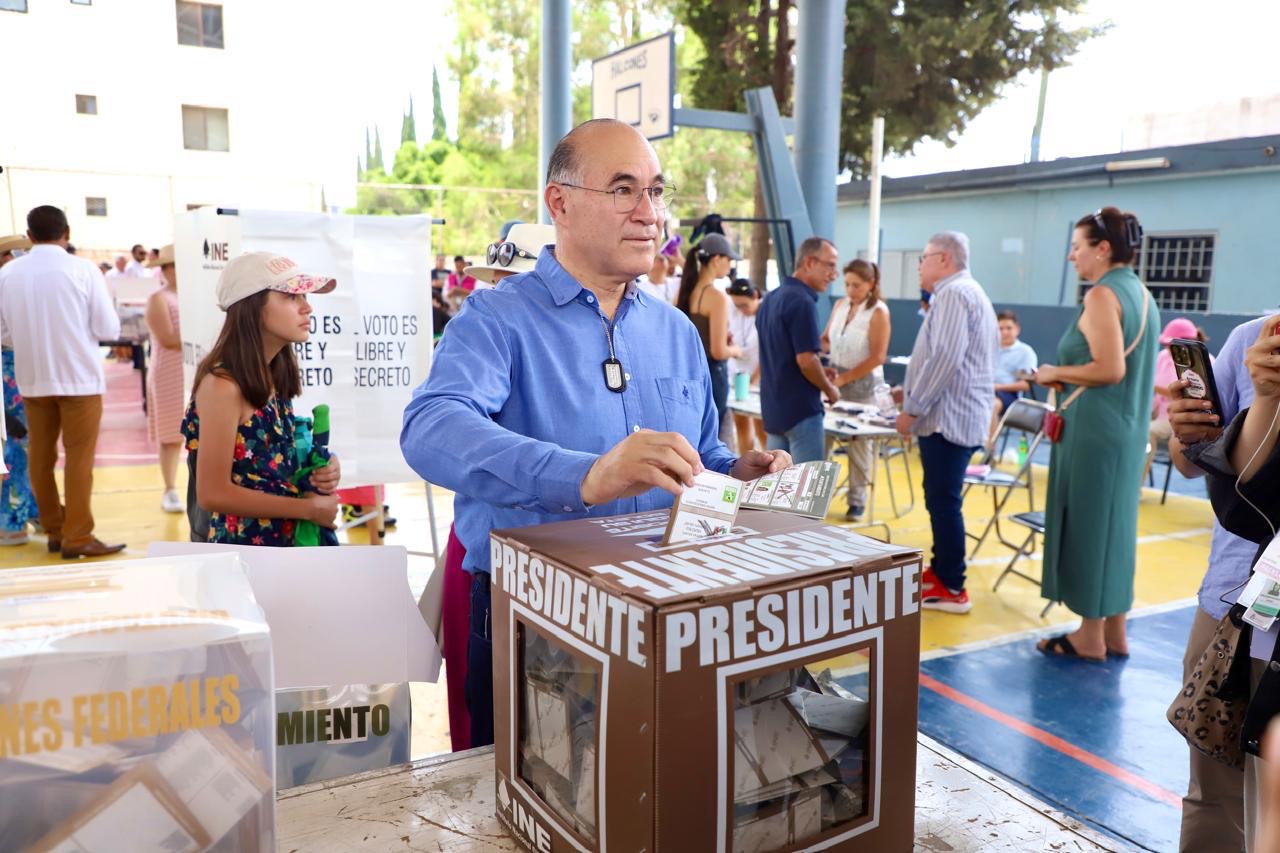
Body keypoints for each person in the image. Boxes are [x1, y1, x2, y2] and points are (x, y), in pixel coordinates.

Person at [400, 118, 790, 749]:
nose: (650, 213)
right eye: (623, 189)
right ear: (560, 202)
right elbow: (431, 427)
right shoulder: (498, 319)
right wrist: (584, 477)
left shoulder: (676, 332)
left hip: (664, 608)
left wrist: (736, 473)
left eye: (656, 191)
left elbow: (704, 455)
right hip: (534, 618)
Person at [1034, 207, 1159, 658]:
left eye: (1077, 247)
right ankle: (1113, 631)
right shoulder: (1142, 295)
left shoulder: (1103, 295)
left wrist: (1054, 370)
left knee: (1089, 526)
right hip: (1126, 432)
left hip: (1095, 432)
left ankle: (1089, 634)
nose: (1072, 257)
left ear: (1102, 250)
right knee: (1117, 530)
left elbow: (1109, 368)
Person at [1180, 316, 1280, 852]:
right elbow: (1205, 466)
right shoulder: (1253, 341)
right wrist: (1191, 432)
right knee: (1214, 790)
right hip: (1234, 600)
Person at [181, 252, 342, 546]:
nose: (308, 308)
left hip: (280, 550)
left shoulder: (272, 378)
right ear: (253, 307)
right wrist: (306, 509)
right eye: (292, 297)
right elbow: (212, 493)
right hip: (246, 557)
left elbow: (268, 465)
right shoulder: (223, 386)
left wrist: (323, 468)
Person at [0, 206, 124, 558]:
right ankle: (78, 535)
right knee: (79, 460)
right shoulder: (83, 269)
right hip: (79, 379)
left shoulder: (8, 274)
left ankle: (54, 530)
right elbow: (107, 329)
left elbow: (4, 332)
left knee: (40, 456)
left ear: (30, 235)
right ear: (66, 232)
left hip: (33, 379)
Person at [897, 231, 998, 614]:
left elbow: (945, 358)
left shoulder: (955, 293)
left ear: (943, 259)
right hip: (954, 413)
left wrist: (913, 408)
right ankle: (942, 571)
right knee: (940, 497)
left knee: (944, 501)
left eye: (923, 258)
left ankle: (953, 584)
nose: (919, 266)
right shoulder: (966, 292)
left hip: (947, 419)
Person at [756, 237, 842, 463]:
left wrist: (821, 370)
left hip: (774, 411)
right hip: (801, 412)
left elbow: (784, 354)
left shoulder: (771, 299)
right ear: (810, 262)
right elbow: (805, 361)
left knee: (777, 492)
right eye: (830, 265)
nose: (834, 275)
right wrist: (829, 388)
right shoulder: (802, 300)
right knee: (807, 493)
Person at [822, 259, 890, 520]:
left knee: (860, 444)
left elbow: (877, 357)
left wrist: (844, 379)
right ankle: (820, 493)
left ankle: (857, 500)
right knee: (825, 437)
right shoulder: (840, 305)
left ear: (871, 285)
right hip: (836, 374)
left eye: (857, 285)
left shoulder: (878, 312)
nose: (851, 290)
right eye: (848, 284)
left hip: (863, 384)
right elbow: (827, 338)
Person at [677, 233, 742, 428]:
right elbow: (718, 351)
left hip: (687, 374)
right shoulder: (716, 297)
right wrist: (736, 350)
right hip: (712, 376)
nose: (730, 265)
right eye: (729, 259)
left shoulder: (684, 294)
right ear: (716, 260)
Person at [144, 245, 185, 513]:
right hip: (169, 372)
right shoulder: (159, 299)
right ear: (167, 269)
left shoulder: (196, 297)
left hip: (193, 370)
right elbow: (168, 339)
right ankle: (169, 488)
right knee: (171, 434)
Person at [0, 236, 35, 546]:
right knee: (16, 445)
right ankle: (12, 519)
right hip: (7, 368)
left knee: (28, 443)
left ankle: (32, 508)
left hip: (21, 365)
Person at [1146, 317, 1205, 482]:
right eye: (1165, 344)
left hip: (1177, 419)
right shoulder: (1163, 357)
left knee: (1146, 432)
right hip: (1157, 412)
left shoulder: (1200, 364)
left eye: (1170, 345)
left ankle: (1136, 487)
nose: (1167, 348)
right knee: (1129, 426)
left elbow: (1181, 394)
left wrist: (1149, 384)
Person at [727, 278, 766, 454]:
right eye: (737, 306)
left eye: (744, 305)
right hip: (737, 374)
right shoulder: (734, 312)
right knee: (741, 425)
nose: (741, 309)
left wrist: (754, 382)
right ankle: (745, 466)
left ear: (756, 296)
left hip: (759, 375)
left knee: (762, 426)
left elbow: (768, 353)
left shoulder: (766, 314)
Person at [989, 310, 1038, 447]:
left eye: (1008, 328)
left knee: (991, 405)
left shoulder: (1025, 352)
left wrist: (998, 387)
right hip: (985, 390)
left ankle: (988, 455)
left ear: (1017, 329)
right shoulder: (989, 348)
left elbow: (1026, 385)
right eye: (1000, 328)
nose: (1004, 332)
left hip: (1009, 397)